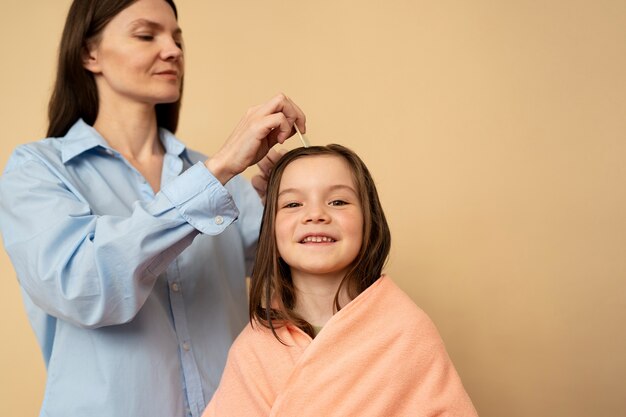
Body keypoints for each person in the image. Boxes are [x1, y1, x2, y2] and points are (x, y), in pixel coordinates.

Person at [0, 1, 305, 416]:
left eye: (177, 38)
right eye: (148, 35)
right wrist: (217, 172)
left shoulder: (217, 177)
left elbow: (292, 281)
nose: (174, 50)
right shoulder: (38, 169)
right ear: (90, 54)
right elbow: (84, 287)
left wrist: (285, 209)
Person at [203, 144, 479, 417]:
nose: (315, 215)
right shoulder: (254, 347)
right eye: (293, 204)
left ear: (368, 219)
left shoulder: (407, 332)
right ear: (271, 228)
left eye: (338, 201)